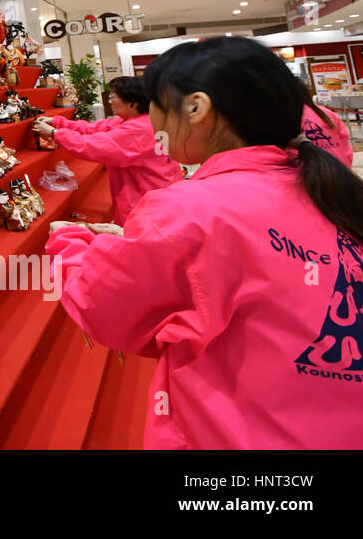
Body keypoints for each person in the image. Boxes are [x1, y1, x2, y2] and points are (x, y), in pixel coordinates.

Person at [46, 37, 363, 449]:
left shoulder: (189, 209)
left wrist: (70, 242)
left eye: (157, 104)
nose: (154, 120)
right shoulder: (327, 187)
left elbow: (105, 303)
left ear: (196, 108)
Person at [33, 76, 181, 226]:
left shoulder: (138, 130)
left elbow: (92, 146)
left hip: (148, 201)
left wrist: (55, 133)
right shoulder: (138, 120)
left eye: (114, 97)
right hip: (159, 191)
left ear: (133, 102)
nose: (109, 101)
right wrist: (58, 122)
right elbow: (93, 128)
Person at [300, 83, 353, 167]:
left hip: (312, 172)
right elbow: (344, 141)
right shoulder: (327, 112)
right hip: (341, 168)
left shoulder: (289, 116)